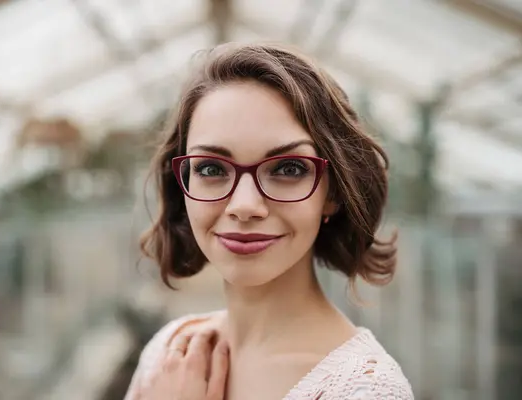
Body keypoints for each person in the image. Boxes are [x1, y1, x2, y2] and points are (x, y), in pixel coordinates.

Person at [124, 42, 414, 399]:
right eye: (211, 168)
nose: (244, 206)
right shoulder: (170, 354)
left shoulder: (366, 390)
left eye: (288, 168)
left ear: (333, 193)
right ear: (182, 187)